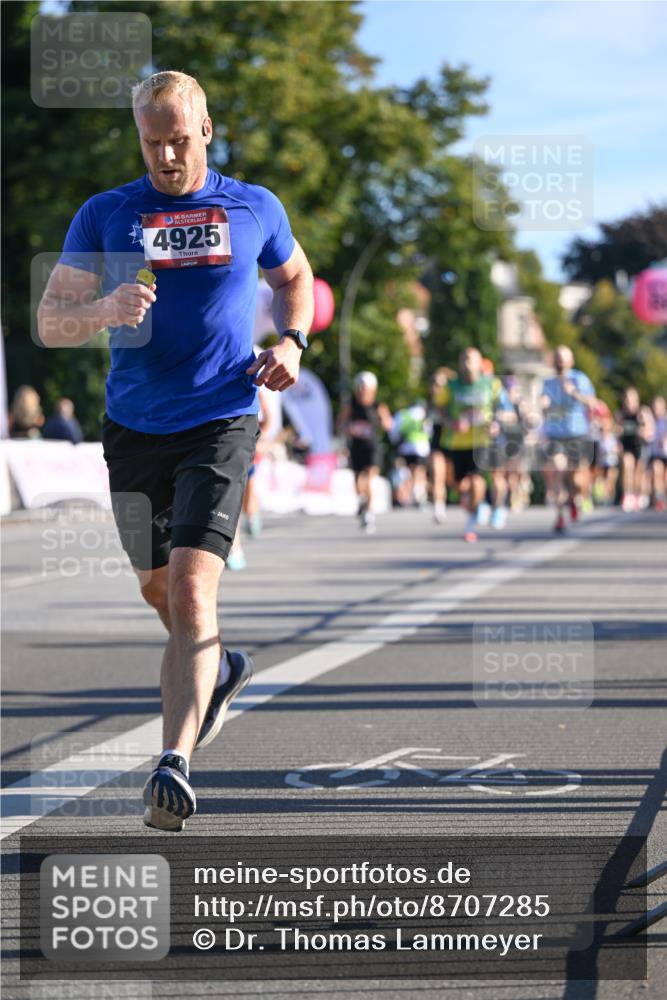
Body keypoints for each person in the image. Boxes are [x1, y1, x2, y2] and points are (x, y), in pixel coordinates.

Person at [37, 71, 314, 831]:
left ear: (206, 129)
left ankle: (173, 764)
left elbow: (296, 277)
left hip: (222, 418)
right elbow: (52, 319)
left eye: (178, 139)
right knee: (158, 592)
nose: (165, 156)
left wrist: (292, 340)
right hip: (132, 427)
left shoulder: (253, 206)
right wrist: (101, 308)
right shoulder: (107, 213)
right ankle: (217, 668)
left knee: (193, 594)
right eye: (151, 142)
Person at [438, 347, 511, 542]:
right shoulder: (451, 386)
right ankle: (479, 507)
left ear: (480, 363)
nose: (466, 363)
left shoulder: (492, 385)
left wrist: (497, 423)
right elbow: (438, 410)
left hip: (482, 441)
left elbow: (508, 410)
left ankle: (475, 519)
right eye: (463, 359)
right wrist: (451, 422)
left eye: (470, 359)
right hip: (456, 443)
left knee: (478, 481)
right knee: (459, 485)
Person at [540, 346, 596, 533]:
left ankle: (576, 498)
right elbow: (542, 405)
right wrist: (542, 405)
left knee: (577, 479)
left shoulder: (580, 379)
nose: (560, 362)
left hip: (577, 433)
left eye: (563, 359)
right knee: (557, 470)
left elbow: (592, 403)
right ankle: (560, 517)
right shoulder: (547, 382)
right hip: (556, 435)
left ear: (571, 361)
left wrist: (574, 393)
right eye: (557, 358)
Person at [339, 371, 392, 533]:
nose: (362, 390)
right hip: (356, 447)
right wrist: (349, 430)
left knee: (369, 479)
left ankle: (369, 515)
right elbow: (341, 423)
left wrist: (383, 422)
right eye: (360, 387)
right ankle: (362, 501)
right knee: (358, 483)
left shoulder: (378, 406)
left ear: (372, 389)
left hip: (373, 447)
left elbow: (389, 424)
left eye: (365, 387)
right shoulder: (351, 405)